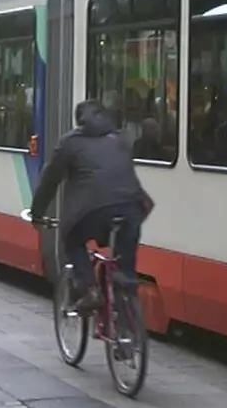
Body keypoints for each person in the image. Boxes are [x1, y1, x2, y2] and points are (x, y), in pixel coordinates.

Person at [27, 100, 152, 313]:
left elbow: (50, 180)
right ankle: (128, 310)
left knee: (72, 238)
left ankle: (89, 290)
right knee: (125, 268)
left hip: (93, 211)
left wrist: (37, 212)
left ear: (80, 120)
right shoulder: (120, 139)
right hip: (131, 208)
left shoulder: (70, 142)